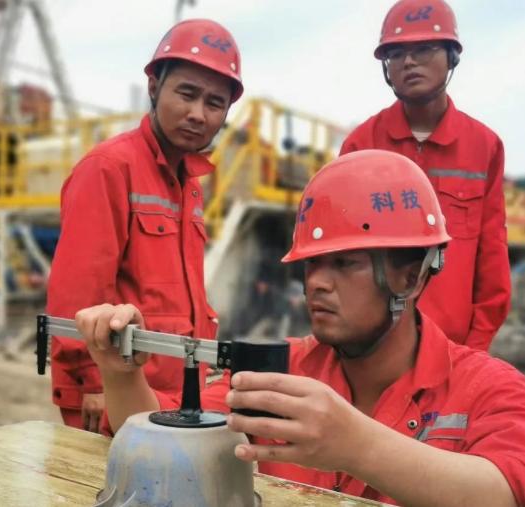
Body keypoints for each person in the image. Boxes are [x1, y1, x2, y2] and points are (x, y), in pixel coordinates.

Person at [76, 150, 525, 506]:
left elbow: (506, 490)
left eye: (344, 263)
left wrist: (356, 445)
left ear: (409, 277)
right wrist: (120, 372)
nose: (317, 284)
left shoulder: (486, 388)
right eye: (312, 265)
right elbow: (168, 437)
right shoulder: (282, 371)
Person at [46, 18, 243, 431]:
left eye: (214, 103)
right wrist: (93, 382)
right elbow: (77, 293)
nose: (197, 114)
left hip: (171, 393)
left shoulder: (190, 185)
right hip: (113, 391)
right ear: (154, 87)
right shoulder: (109, 168)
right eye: (186, 94)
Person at [340, 0, 510, 351]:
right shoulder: (361, 145)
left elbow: (492, 259)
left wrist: (473, 351)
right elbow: (340, 258)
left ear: (452, 57)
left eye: (424, 49)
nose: (409, 62)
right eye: (396, 53)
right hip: (373, 351)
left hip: (453, 350)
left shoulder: (484, 146)